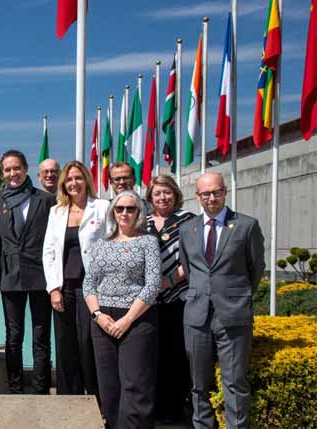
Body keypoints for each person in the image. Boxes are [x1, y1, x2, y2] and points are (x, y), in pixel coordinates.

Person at [178, 172, 264, 429]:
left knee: (235, 383)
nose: (211, 197)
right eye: (205, 193)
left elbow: (255, 269)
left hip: (233, 314)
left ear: (225, 192)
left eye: (216, 192)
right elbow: (190, 268)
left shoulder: (246, 226)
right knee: (198, 384)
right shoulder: (187, 229)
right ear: (197, 197)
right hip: (196, 315)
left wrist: (234, 294)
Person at [84, 190, 162, 429]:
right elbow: (89, 284)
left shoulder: (148, 242)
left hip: (137, 319)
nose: (125, 213)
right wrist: (98, 316)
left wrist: (127, 320)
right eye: (120, 209)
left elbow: (153, 284)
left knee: (136, 385)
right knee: (108, 385)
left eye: (131, 208)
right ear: (113, 212)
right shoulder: (100, 244)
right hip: (103, 320)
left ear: (139, 212)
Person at [42, 160, 109, 397]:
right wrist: (54, 289)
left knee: (88, 343)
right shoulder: (57, 211)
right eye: (69, 179)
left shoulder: (102, 207)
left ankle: (96, 397)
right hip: (64, 288)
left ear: (86, 181)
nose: (73, 183)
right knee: (65, 344)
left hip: (92, 289)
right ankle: (68, 398)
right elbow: (49, 252)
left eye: (78, 178)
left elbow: (111, 244)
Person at [0, 150, 54, 394]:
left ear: (26, 168)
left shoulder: (45, 200)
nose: (12, 173)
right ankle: (15, 389)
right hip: (11, 278)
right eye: (7, 169)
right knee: (13, 338)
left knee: (41, 337)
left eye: (16, 168)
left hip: (40, 276)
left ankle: (40, 389)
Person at [144, 175, 197, 423]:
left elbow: (194, 258)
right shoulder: (142, 221)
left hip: (179, 296)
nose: (162, 197)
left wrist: (171, 280)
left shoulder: (189, 221)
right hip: (148, 300)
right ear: (150, 198)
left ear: (175, 194)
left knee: (176, 353)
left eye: (167, 192)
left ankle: (176, 409)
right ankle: (154, 407)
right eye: (157, 194)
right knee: (151, 353)